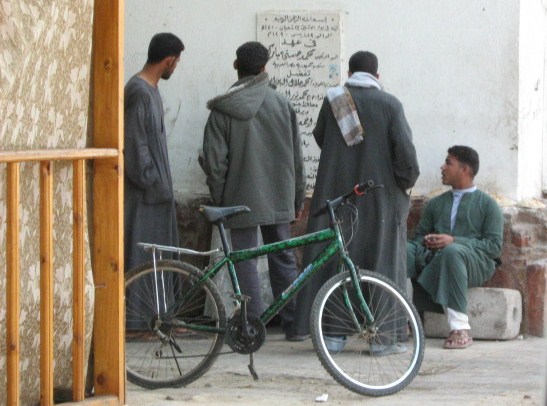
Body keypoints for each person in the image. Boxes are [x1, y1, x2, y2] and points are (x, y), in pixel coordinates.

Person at [292, 51, 420, 350]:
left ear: (349, 73)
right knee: (382, 263)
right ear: (377, 75)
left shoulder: (333, 99)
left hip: (337, 198)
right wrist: (401, 186)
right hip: (380, 199)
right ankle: (382, 339)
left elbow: (322, 137)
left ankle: (333, 335)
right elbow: (407, 160)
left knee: (336, 260)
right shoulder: (390, 104)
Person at [200, 41, 306, 341]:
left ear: (237, 67)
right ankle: (293, 324)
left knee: (244, 260)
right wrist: (298, 198)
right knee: (283, 258)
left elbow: (214, 162)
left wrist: (222, 199)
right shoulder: (282, 104)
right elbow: (297, 159)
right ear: (264, 68)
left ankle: (250, 326)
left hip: (239, 199)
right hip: (279, 195)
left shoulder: (222, 109)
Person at [407, 145, 504, 349]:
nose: (442, 167)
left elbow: (494, 247)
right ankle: (398, 320)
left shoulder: (488, 205)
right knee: (403, 250)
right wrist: (428, 241)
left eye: (448, 163)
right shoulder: (436, 204)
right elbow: (417, 238)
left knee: (452, 252)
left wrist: (454, 241)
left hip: (475, 262)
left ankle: (461, 329)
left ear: (464, 170)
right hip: (435, 257)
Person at [124, 33, 184, 329]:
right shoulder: (138, 91)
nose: (176, 67)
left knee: (159, 259)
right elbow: (134, 143)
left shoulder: (151, 90)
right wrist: (151, 179)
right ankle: (139, 324)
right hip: (145, 195)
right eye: (177, 62)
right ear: (169, 60)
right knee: (143, 259)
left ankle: (159, 319)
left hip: (157, 193)